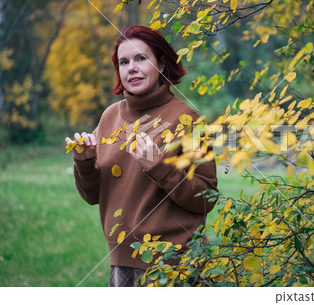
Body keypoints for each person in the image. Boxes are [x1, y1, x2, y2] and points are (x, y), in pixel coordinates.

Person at [65, 25, 218, 287]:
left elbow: (206, 199)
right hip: (122, 263)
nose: (131, 68)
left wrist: (159, 166)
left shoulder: (186, 118)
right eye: (123, 62)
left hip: (173, 265)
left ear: (161, 63)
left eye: (140, 58)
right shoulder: (110, 117)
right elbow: (92, 196)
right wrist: (84, 161)